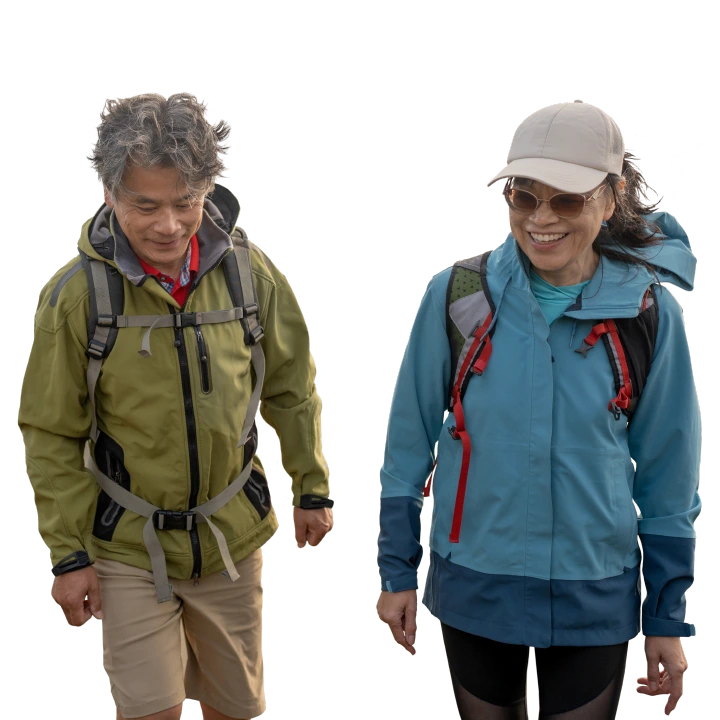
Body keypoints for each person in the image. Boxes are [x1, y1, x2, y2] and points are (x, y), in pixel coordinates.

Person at [376, 100, 699, 719]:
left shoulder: (648, 315)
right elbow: (408, 446)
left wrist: (666, 614)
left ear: (610, 197)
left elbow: (670, 478)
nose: (541, 219)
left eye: (568, 200)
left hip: (595, 589)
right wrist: (396, 575)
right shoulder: (458, 298)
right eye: (524, 198)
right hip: (476, 580)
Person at [18, 91, 334, 720]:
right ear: (109, 194)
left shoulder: (250, 275)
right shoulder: (79, 298)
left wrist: (312, 486)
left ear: (207, 190)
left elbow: (291, 386)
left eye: (185, 202)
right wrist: (69, 555)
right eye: (145, 205)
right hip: (129, 547)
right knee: (151, 712)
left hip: (230, 540)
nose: (168, 224)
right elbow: (51, 433)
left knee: (236, 709)